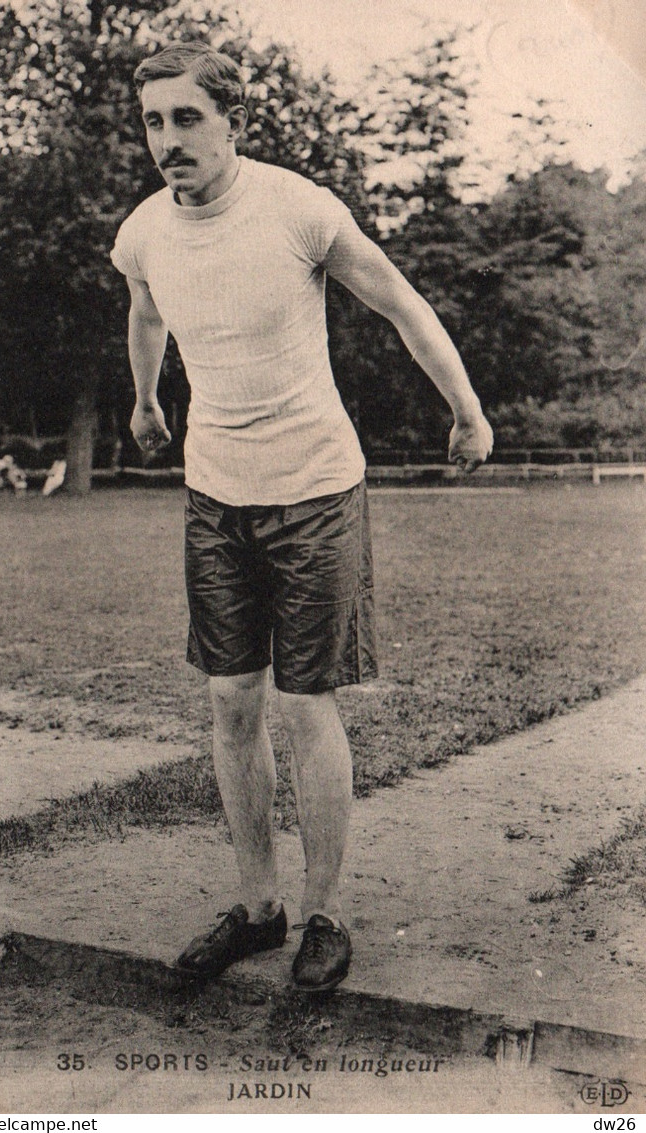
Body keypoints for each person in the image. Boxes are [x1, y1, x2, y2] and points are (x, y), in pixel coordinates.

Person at [111, 40, 493, 992]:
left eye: (188, 118)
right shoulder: (144, 231)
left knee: (301, 702)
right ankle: (257, 907)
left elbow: (400, 302)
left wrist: (468, 409)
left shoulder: (299, 209)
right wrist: (146, 399)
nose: (169, 141)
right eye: (154, 122)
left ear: (235, 120)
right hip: (215, 493)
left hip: (316, 489)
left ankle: (325, 910)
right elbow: (146, 310)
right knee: (231, 700)